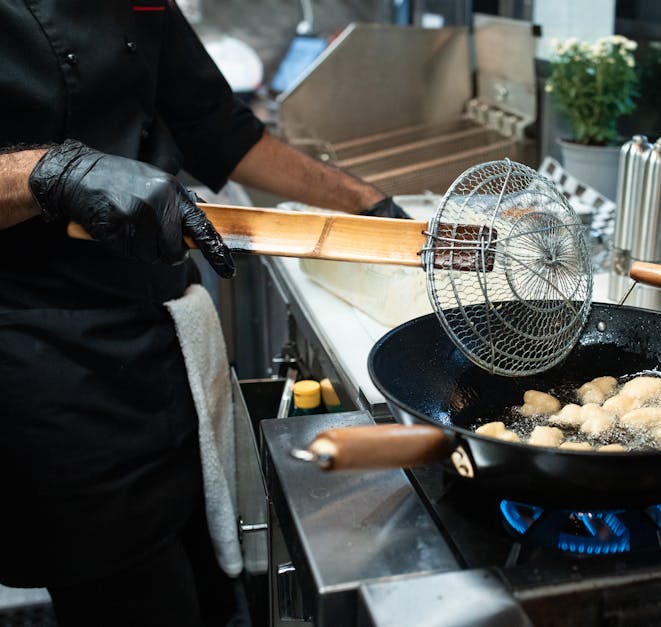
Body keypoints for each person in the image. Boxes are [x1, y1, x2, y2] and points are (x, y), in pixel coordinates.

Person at [0, 3, 405, 626]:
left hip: (160, 339)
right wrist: (50, 172)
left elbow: (214, 125)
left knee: (207, 580)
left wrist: (368, 205)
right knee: (124, 595)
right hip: (41, 358)